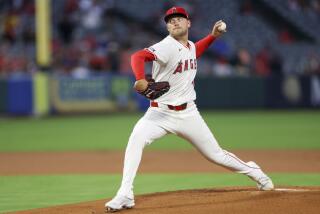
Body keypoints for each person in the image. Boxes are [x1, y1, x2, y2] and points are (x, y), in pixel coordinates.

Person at [105, 6, 274, 212]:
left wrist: (212, 36)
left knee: (216, 155)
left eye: (179, 18)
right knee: (135, 140)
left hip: (188, 114)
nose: (174, 22)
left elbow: (195, 51)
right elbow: (137, 57)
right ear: (167, 26)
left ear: (188, 23)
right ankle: (125, 194)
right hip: (159, 113)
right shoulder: (166, 46)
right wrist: (140, 78)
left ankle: (254, 171)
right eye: (170, 20)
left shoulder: (189, 46)